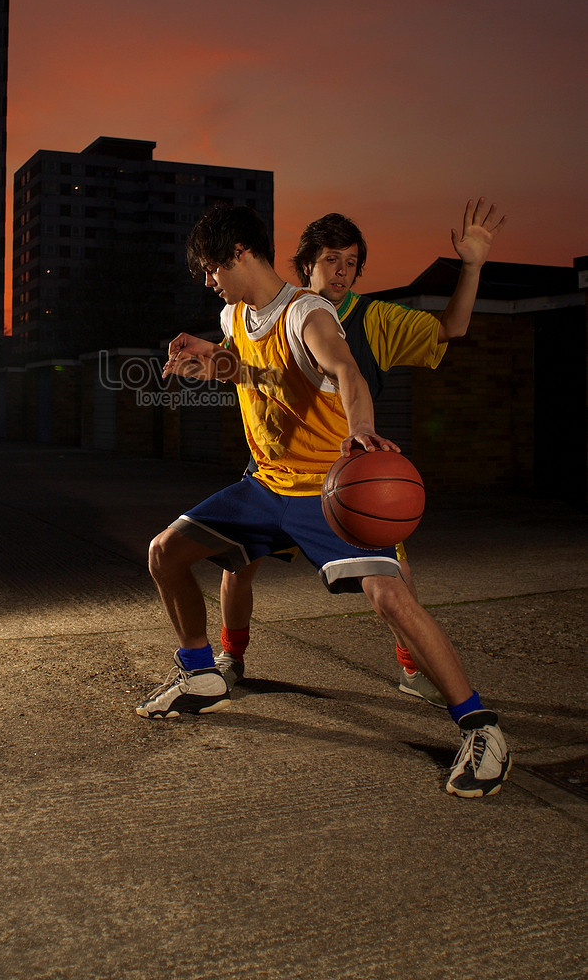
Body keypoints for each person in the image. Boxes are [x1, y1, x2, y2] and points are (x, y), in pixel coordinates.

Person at [136, 202, 511, 799]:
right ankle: (201, 673)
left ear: (237, 255)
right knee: (165, 552)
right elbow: (248, 370)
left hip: (326, 490)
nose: (208, 280)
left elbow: (346, 370)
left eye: (210, 268)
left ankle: (481, 726)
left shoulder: (307, 314)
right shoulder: (235, 314)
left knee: (391, 596)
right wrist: (207, 363)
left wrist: (359, 429)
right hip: (264, 484)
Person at [216, 199, 507, 708]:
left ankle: (413, 670)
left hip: (341, 470)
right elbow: (248, 371)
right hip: (273, 467)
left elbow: (452, 327)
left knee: (392, 581)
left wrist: (473, 264)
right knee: (235, 566)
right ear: (306, 263)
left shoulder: (372, 319)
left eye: (351, 262)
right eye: (331, 259)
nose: (342, 271)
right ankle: (231, 658)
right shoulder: (259, 313)